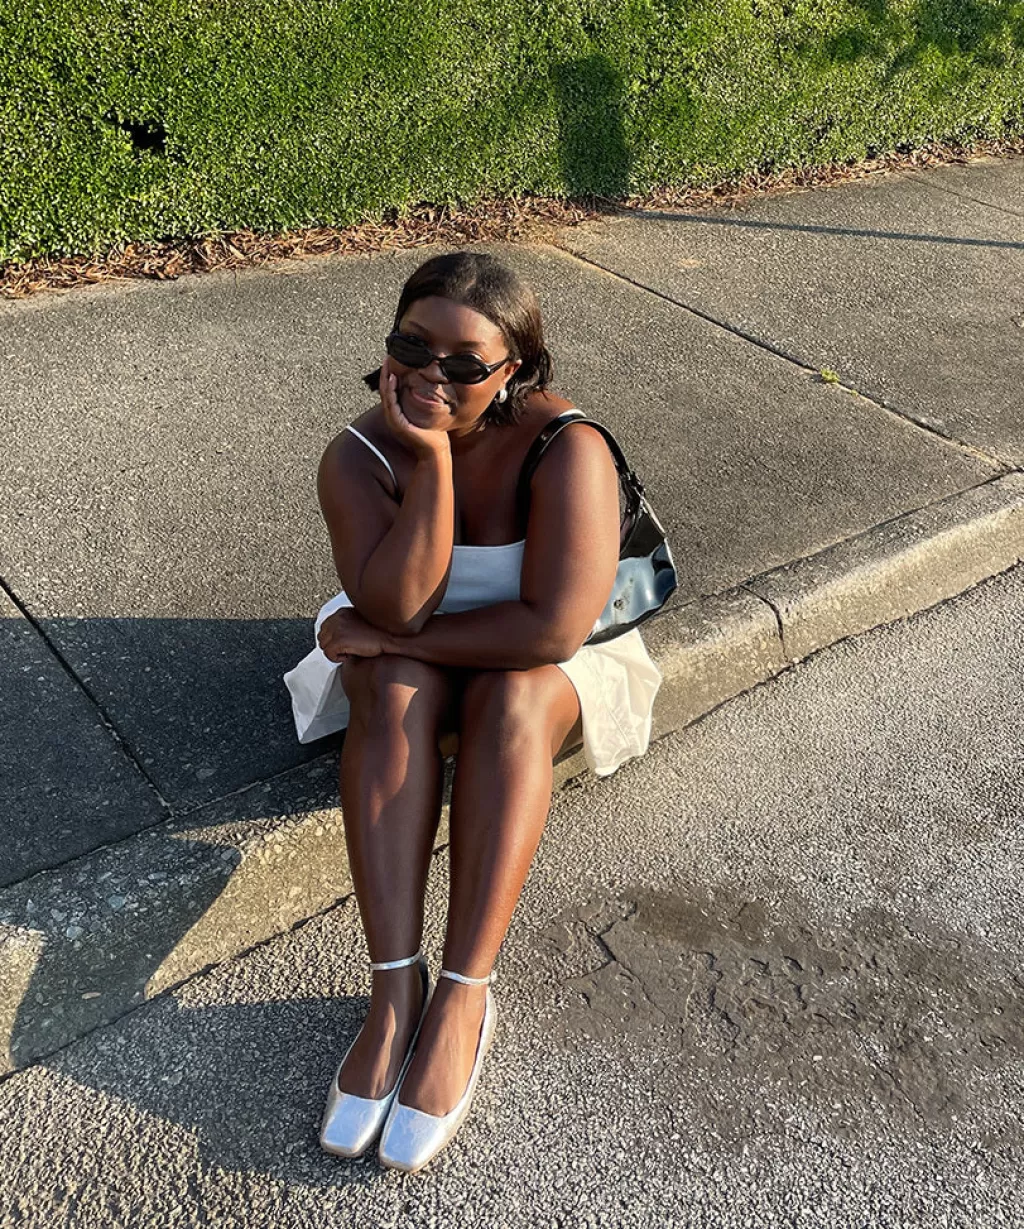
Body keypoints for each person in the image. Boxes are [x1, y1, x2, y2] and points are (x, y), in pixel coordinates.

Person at [299, 250, 662, 1172]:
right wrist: (429, 460)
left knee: (508, 694)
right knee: (390, 684)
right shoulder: (358, 457)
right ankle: (394, 992)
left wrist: (397, 642)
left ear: (515, 371)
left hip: (548, 660)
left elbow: (550, 628)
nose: (432, 375)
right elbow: (397, 608)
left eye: (465, 363)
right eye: (411, 347)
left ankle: (464, 992)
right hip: (414, 642)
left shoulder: (567, 447)